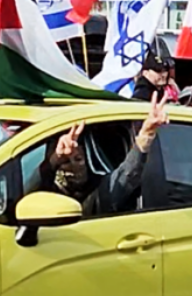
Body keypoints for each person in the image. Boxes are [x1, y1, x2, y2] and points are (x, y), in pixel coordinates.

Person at [41, 92, 170, 217]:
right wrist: (55, 158)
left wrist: (146, 135)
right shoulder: (47, 196)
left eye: (78, 159)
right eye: (66, 162)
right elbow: (38, 180)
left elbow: (127, 174)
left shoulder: (100, 194)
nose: (75, 165)